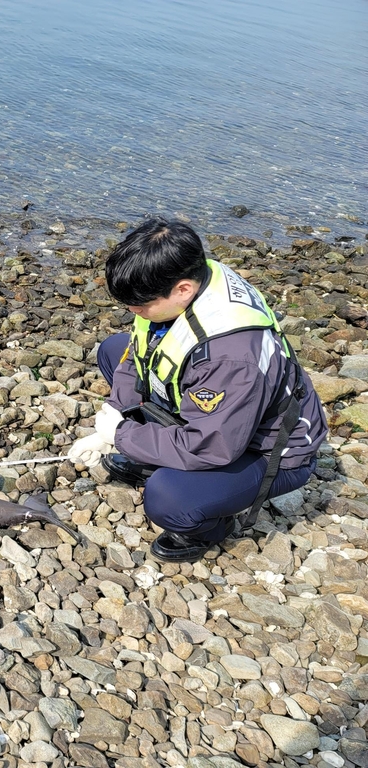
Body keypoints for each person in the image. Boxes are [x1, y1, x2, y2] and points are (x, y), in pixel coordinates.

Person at [67, 217, 326, 562]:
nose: (133, 311)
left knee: (169, 498)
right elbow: (135, 354)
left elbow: (211, 447)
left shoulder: (230, 356)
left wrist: (122, 436)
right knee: (113, 350)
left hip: (268, 449)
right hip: (223, 412)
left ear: (183, 289)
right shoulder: (186, 276)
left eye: (140, 305)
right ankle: (153, 459)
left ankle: (208, 528)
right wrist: (117, 413)